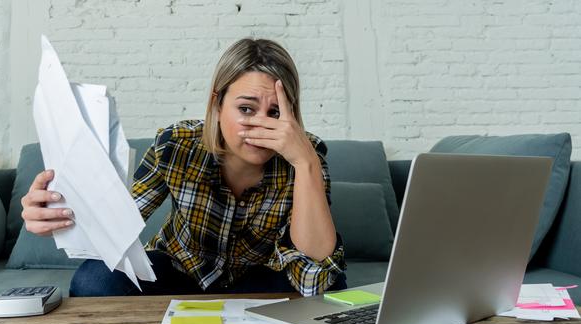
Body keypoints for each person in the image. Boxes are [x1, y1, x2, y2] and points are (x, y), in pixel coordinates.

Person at [21, 38, 346, 297]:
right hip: (181, 273)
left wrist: (305, 163)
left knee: (329, 283)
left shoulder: (306, 153)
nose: (261, 125)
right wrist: (60, 211)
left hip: (258, 280)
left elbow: (315, 256)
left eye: (275, 113)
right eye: (246, 108)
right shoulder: (176, 144)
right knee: (95, 279)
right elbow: (119, 217)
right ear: (217, 105)